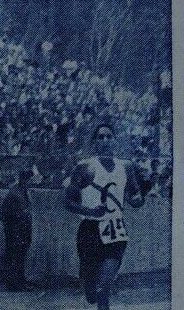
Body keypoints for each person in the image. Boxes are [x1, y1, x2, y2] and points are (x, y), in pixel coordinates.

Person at [62, 123, 144, 310]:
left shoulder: (126, 166)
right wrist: (90, 211)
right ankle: (91, 295)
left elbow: (135, 195)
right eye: (100, 137)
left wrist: (138, 199)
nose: (105, 141)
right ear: (94, 142)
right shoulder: (85, 167)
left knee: (103, 286)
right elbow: (67, 202)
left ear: (115, 140)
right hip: (89, 230)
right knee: (91, 292)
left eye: (109, 136)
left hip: (115, 229)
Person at [0, 169, 34, 291]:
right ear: (23, 180)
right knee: (15, 256)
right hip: (15, 230)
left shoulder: (24, 192)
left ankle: (20, 280)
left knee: (20, 256)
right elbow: (2, 214)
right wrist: (16, 219)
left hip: (23, 229)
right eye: (28, 180)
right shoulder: (14, 193)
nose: (29, 182)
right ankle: (14, 283)